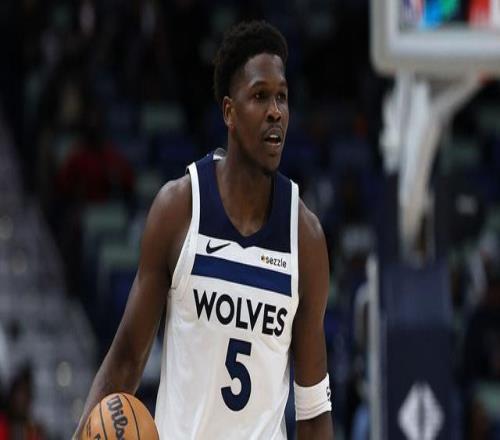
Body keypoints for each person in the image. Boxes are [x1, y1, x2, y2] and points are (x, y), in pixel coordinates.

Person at [74, 20, 334, 439]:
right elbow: (126, 359)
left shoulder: (305, 238)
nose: (275, 111)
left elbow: (314, 411)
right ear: (229, 112)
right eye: (260, 96)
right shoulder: (179, 209)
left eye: (282, 97)